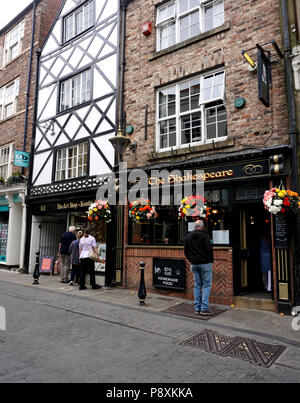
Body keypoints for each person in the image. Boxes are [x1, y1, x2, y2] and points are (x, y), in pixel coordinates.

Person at [184, 220, 214, 316]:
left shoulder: (189, 236)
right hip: (205, 263)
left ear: (195, 227)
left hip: (194, 264)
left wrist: (191, 260)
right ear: (202, 227)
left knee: (197, 285)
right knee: (206, 285)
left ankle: (197, 308)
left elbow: (186, 251)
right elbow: (209, 249)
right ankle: (204, 308)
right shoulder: (205, 236)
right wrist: (210, 260)